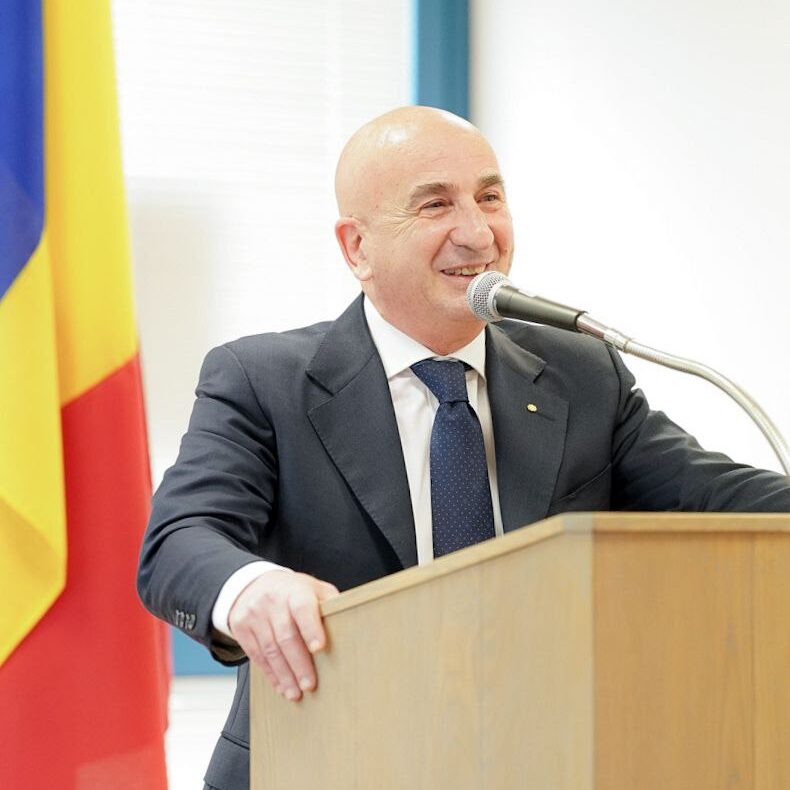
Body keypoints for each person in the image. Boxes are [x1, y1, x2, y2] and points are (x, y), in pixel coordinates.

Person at [137, 106, 790, 790]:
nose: (478, 234)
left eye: (490, 197)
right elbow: (179, 539)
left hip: (536, 760)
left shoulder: (580, 373)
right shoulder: (263, 380)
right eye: (435, 205)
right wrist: (252, 589)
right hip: (324, 757)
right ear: (357, 247)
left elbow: (712, 496)